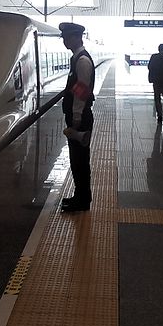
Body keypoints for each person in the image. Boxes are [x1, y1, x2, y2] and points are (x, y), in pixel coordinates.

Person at [59, 22, 95, 213]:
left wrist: (77, 116)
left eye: (67, 38)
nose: (65, 41)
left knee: (79, 160)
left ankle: (82, 200)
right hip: (79, 116)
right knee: (77, 160)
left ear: (76, 38)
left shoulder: (82, 61)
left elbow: (81, 90)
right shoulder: (77, 58)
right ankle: (81, 196)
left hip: (80, 119)